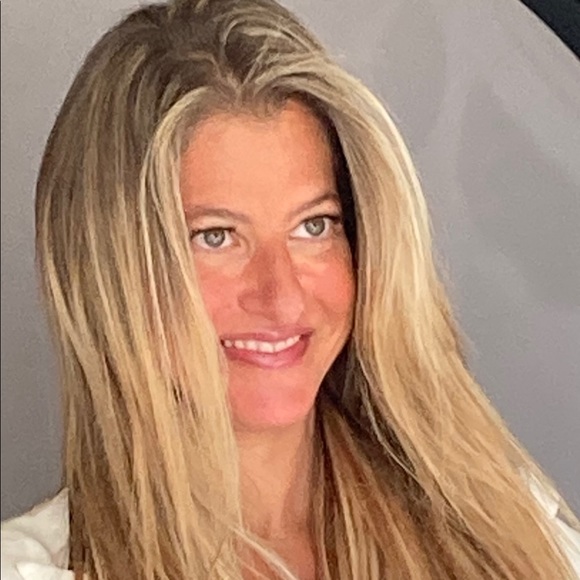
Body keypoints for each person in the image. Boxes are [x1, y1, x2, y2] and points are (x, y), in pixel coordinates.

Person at [1, 0, 579, 578]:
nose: (281, 296)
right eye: (216, 236)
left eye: (313, 226)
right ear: (107, 270)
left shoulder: (503, 528)